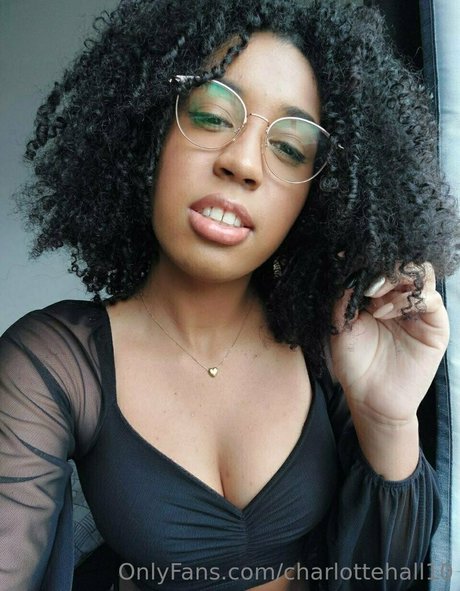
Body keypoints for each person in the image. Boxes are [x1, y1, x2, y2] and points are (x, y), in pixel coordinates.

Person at [1, 0, 459, 589]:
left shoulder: (327, 342)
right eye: (213, 115)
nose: (243, 163)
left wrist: (387, 419)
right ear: (149, 128)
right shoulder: (57, 364)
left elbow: (384, 577)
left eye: (289, 148)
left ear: (318, 197)